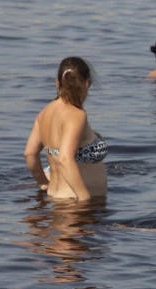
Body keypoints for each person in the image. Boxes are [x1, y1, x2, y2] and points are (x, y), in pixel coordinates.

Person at [24, 57, 107, 201]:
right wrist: (84, 199)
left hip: (57, 197)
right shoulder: (76, 115)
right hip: (76, 203)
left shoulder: (44, 113)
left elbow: (30, 154)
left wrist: (43, 183)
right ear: (87, 84)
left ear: (57, 83)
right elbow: (65, 158)